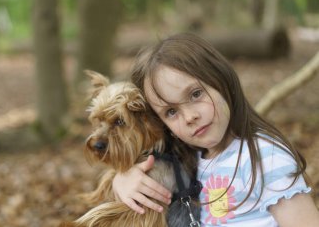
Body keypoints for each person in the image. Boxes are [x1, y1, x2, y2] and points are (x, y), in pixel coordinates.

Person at [112, 33, 319, 226]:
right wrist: (121, 180)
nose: (190, 117)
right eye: (171, 112)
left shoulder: (264, 157)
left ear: (221, 80)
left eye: (195, 94)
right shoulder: (188, 161)